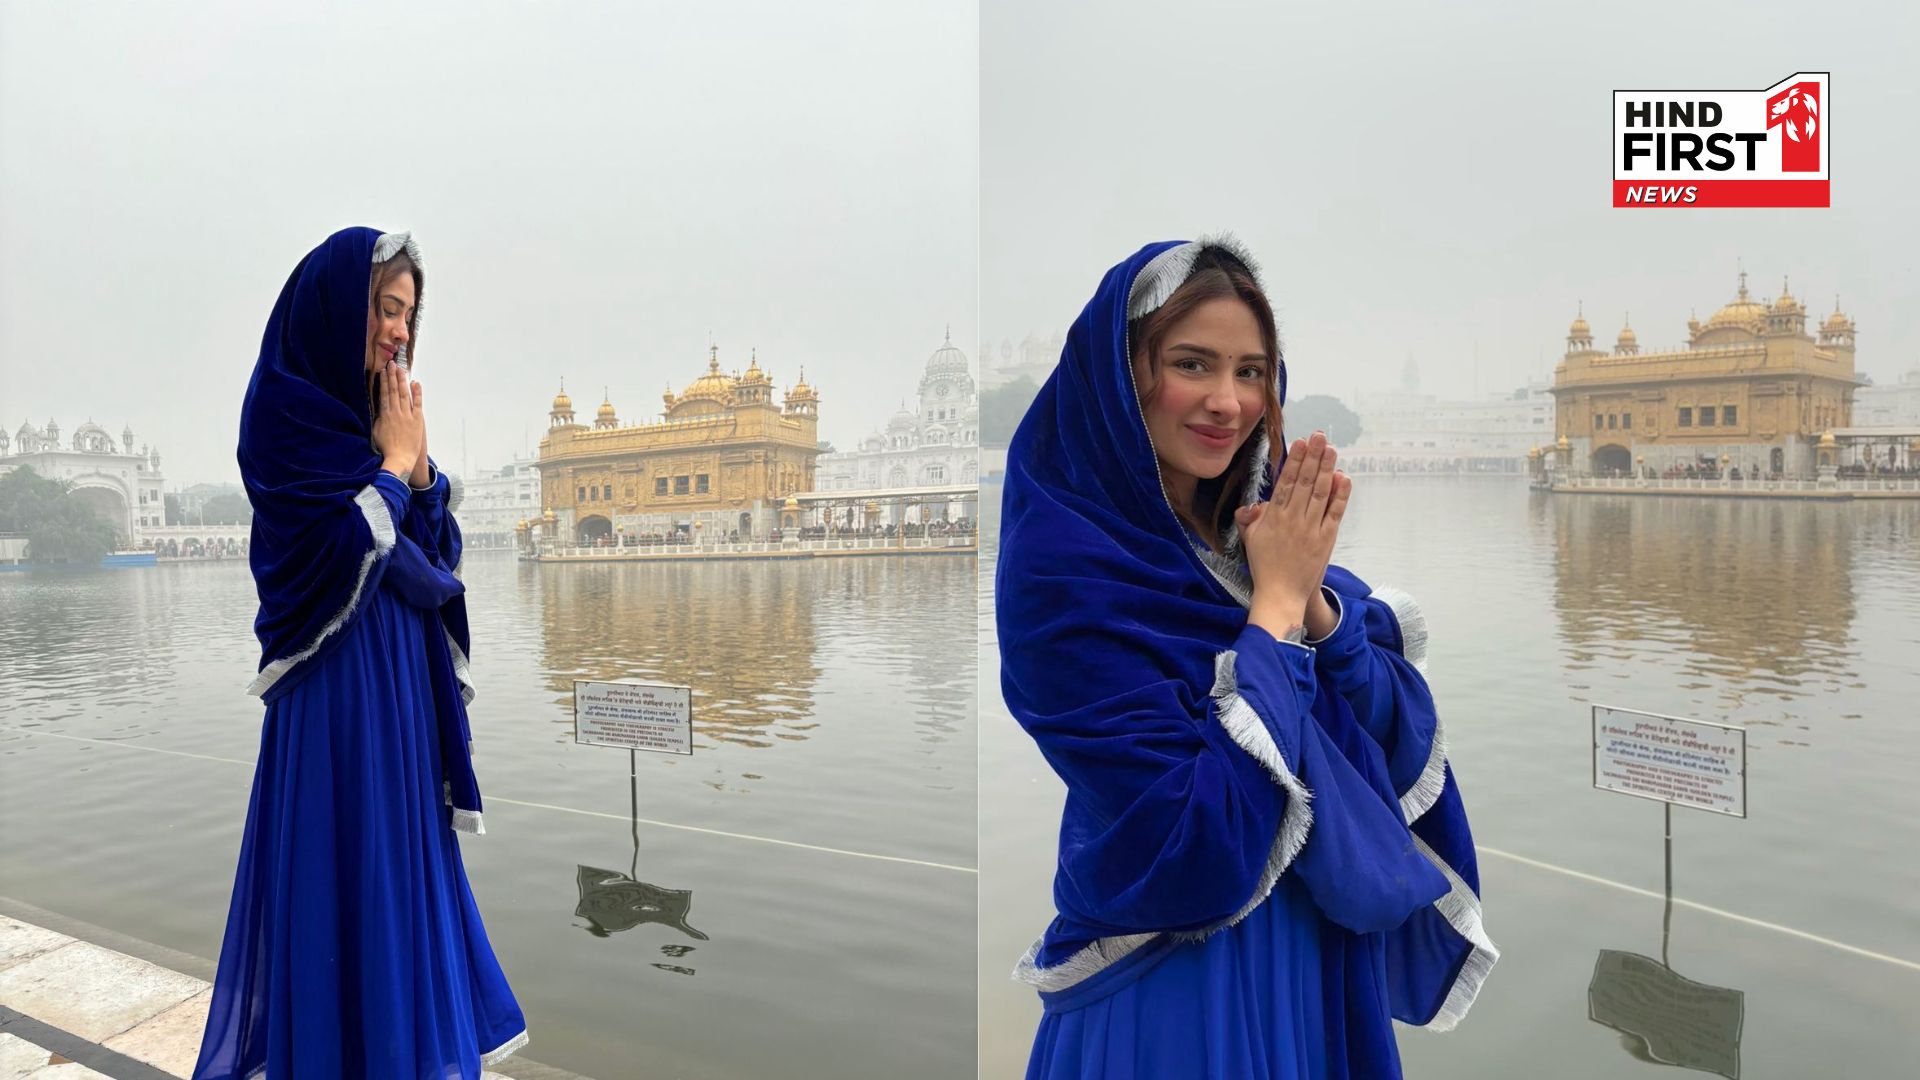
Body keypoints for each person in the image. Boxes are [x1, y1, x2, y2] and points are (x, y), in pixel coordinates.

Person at [997, 237, 1496, 1078]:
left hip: (1310, 946)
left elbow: (1373, 735)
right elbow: (1188, 833)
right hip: (1175, 968)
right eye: (1192, 364)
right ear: (1122, 377)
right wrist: (1271, 612)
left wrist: (1316, 608)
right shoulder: (1067, 567)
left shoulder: (1245, 537)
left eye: (1252, 372)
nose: (1227, 402)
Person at [194, 228, 527, 1078]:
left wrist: (416, 477)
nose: (399, 333)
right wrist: (392, 466)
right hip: (336, 698)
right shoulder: (286, 416)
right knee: (346, 885)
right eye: (386, 307)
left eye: (409, 315)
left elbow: (434, 561)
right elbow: (326, 556)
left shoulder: (373, 423)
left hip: (400, 704)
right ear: (341, 305)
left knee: (400, 885)